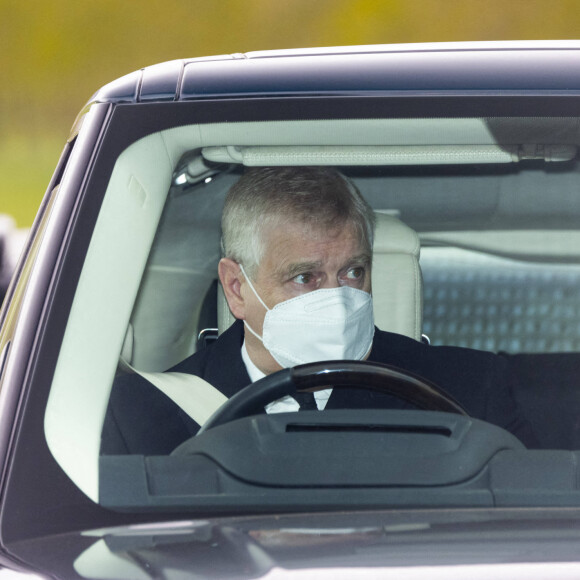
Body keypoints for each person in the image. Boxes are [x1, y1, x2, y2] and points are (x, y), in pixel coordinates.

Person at [102, 166, 537, 454]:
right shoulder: (142, 416)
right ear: (237, 288)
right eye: (305, 278)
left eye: (353, 272)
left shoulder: (470, 391)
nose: (339, 297)